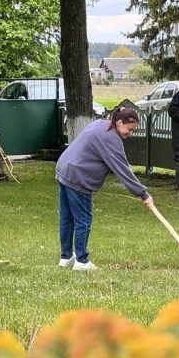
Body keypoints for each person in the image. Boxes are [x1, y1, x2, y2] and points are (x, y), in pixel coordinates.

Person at [55, 107, 155, 271]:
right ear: (119, 122)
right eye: (130, 129)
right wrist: (143, 193)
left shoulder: (101, 124)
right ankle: (82, 261)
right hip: (78, 177)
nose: (131, 134)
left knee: (67, 218)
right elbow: (122, 169)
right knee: (83, 220)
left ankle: (66, 257)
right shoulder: (111, 138)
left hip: (64, 169)